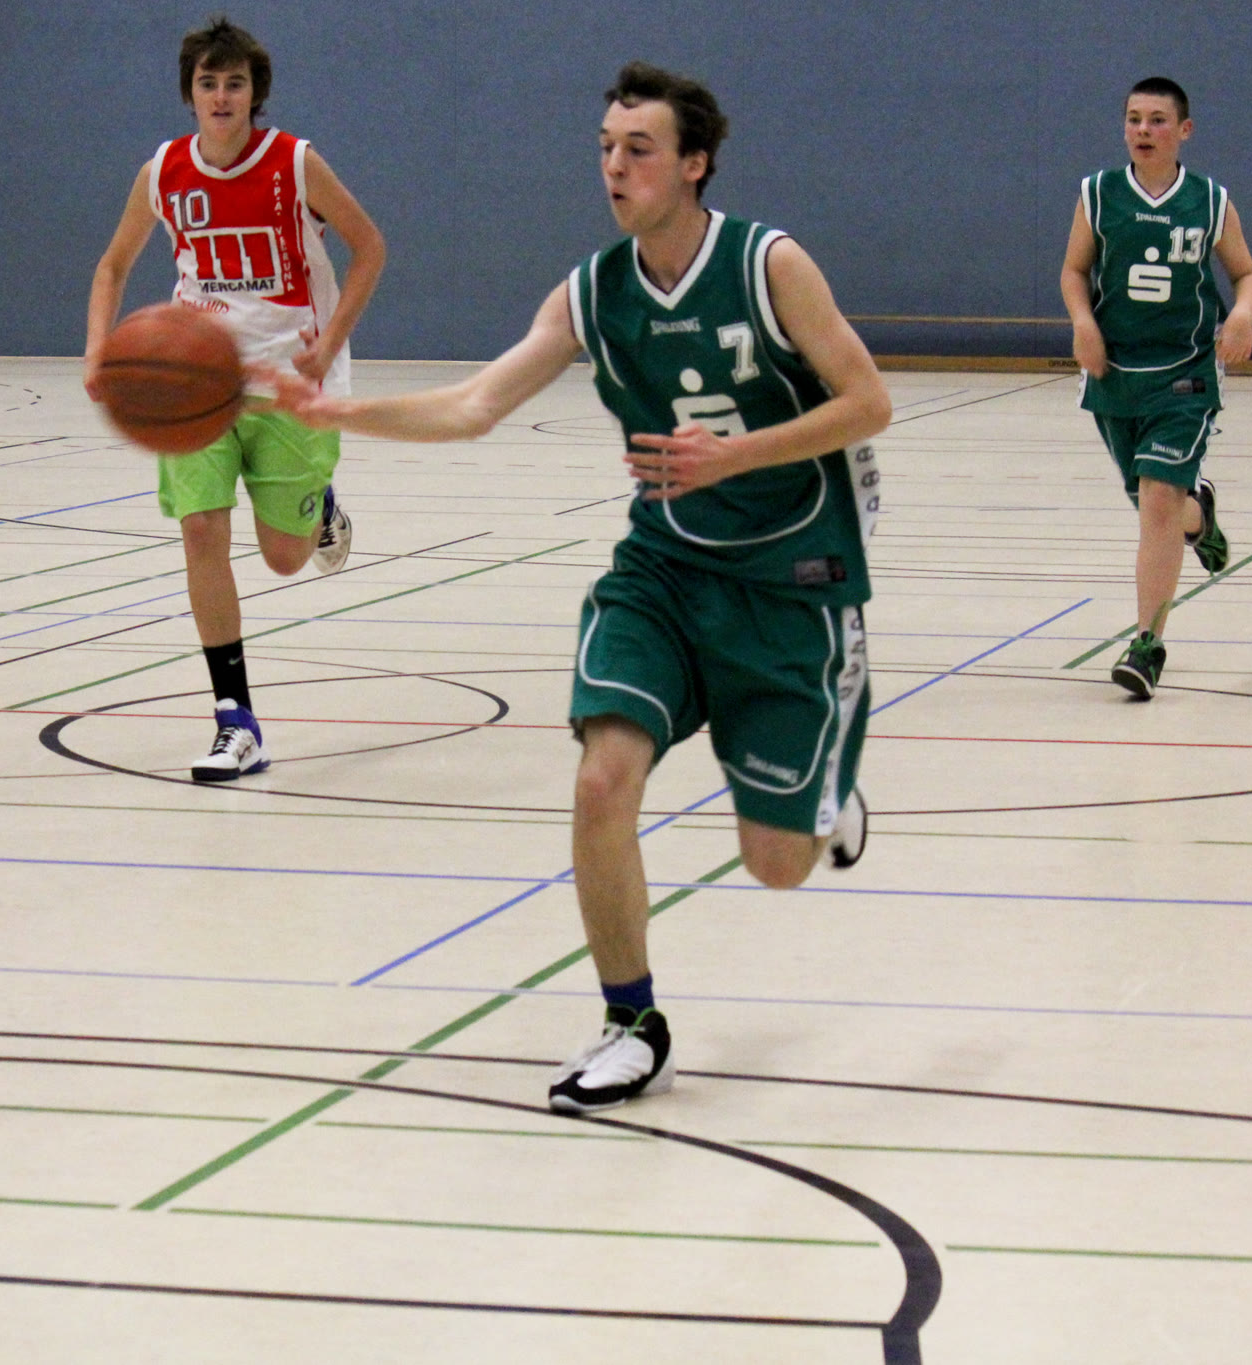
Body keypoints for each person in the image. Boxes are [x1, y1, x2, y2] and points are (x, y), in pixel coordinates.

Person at [265, 64, 889, 1113]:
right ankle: (631, 1023)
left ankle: (825, 780)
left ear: (693, 165)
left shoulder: (768, 264)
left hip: (790, 577)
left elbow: (868, 403)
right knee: (603, 779)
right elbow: (474, 405)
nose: (614, 166)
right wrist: (338, 414)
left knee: (777, 866)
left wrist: (733, 457)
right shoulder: (592, 290)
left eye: (638, 148)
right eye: (604, 147)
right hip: (665, 570)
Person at [84, 15, 385, 781]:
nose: (221, 96)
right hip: (198, 384)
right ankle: (235, 719)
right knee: (200, 533)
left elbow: (369, 247)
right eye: (208, 83)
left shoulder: (295, 163)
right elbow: (113, 264)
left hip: (290, 383)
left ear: (255, 93)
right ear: (189, 94)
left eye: (235, 83)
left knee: (283, 558)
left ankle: (319, 510)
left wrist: (329, 344)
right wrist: (97, 349)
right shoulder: (163, 172)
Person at [1059, 76, 1252, 699]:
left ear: (1184, 130)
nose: (1143, 130)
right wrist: (1083, 322)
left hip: (1185, 374)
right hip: (1115, 375)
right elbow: (1074, 270)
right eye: (1134, 119)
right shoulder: (1097, 194)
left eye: (1157, 120)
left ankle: (1147, 644)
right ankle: (1201, 516)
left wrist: (1242, 314)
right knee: (1157, 503)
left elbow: (1246, 275)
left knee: (1156, 501)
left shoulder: (1210, 201)